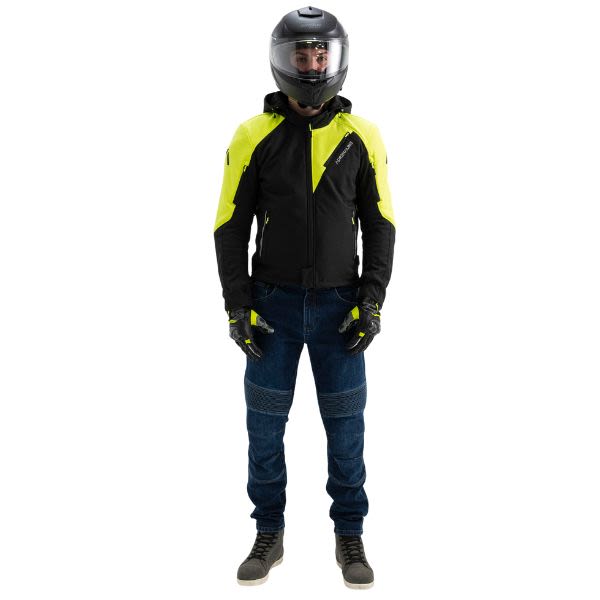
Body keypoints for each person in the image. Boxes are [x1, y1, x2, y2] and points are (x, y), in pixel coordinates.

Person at [213, 6, 395, 589]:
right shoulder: (252, 135)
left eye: (322, 54)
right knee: (265, 430)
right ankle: (268, 532)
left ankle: (350, 534)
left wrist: (372, 302)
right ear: (282, 60)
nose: (313, 65)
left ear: (337, 60)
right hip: (273, 309)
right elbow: (229, 227)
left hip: (343, 310)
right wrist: (238, 307)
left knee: (347, 431)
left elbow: (382, 223)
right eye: (302, 55)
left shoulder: (362, 135)